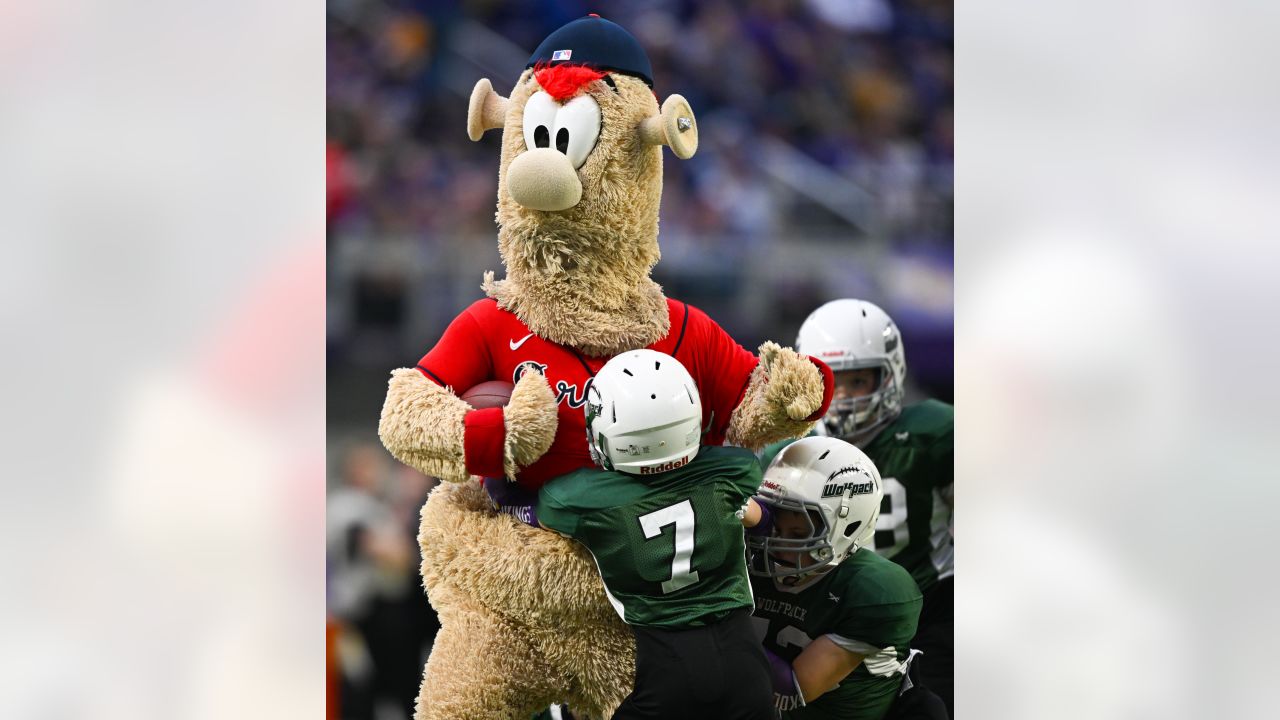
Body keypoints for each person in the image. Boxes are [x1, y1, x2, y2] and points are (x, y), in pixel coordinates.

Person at [535, 349, 774, 720]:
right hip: (746, 663)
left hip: (666, 666)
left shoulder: (582, 499)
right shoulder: (733, 470)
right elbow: (742, 476)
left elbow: (549, 504)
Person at [760, 299, 954, 715]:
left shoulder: (934, 434)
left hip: (926, 604)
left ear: (891, 373)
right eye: (831, 381)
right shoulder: (787, 454)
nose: (843, 398)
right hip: (815, 600)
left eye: (859, 381)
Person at [748, 436, 924, 720]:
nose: (777, 543)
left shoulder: (873, 590)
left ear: (847, 527)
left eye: (797, 534)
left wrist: (712, 632)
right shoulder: (749, 557)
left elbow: (791, 691)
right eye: (773, 525)